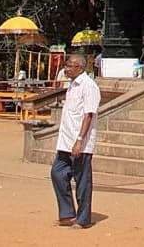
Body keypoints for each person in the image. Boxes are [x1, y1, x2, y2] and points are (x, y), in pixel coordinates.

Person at [50, 54, 100, 229]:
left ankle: (83, 218)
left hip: (81, 142)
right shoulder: (72, 86)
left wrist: (80, 140)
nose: (66, 68)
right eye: (66, 65)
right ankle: (67, 213)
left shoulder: (89, 86)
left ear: (80, 67)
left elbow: (89, 114)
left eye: (70, 65)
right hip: (65, 141)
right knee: (57, 173)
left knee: (82, 180)